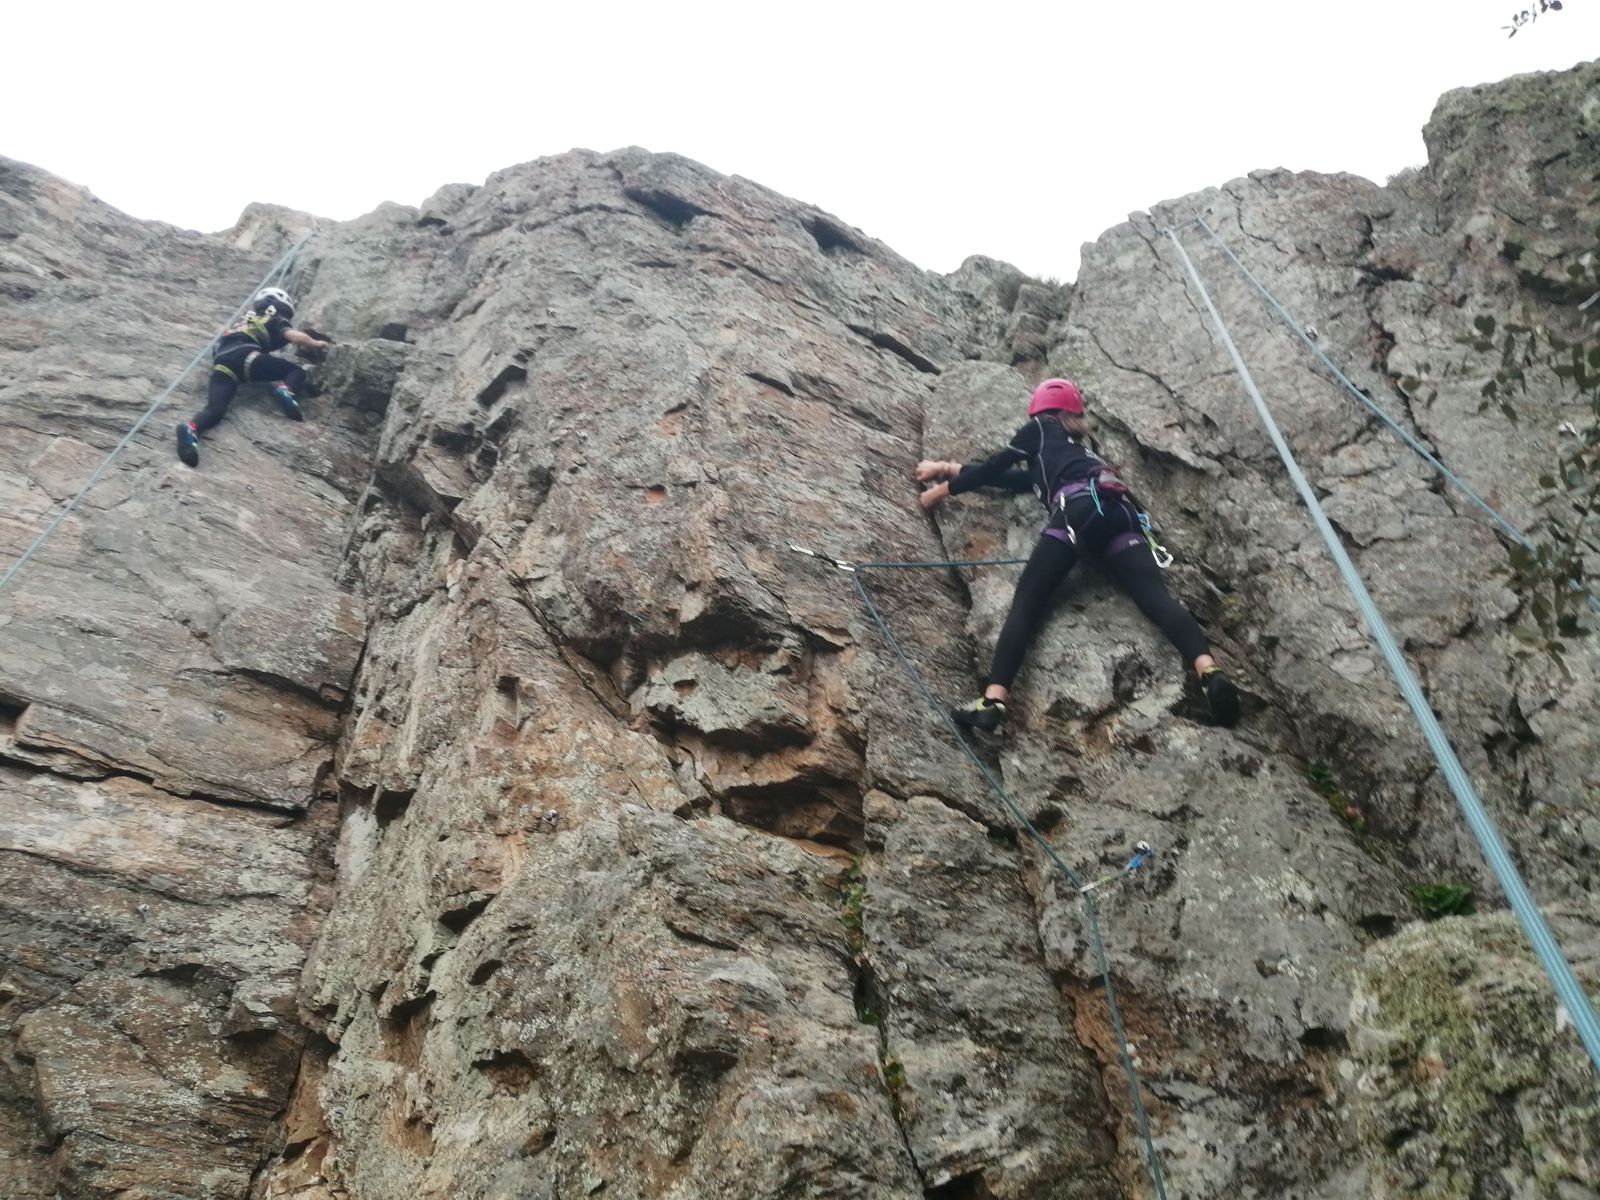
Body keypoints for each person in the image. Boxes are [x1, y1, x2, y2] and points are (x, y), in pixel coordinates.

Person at [916, 377, 1241, 730]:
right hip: (1121, 514)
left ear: (1043, 410)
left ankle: (992, 701)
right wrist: (945, 467)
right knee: (1155, 598)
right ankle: (1209, 671)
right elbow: (1013, 479)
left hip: (1080, 511)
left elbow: (995, 465)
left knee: (1027, 602)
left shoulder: (1040, 427)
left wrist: (942, 490)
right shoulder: (1075, 453)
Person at [176, 287, 329, 467]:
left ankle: (191, 430)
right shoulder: (274, 318)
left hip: (223, 366)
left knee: (215, 410)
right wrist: (315, 343)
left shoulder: (241, 323)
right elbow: (294, 336)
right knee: (297, 372)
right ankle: (286, 390)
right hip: (247, 356)